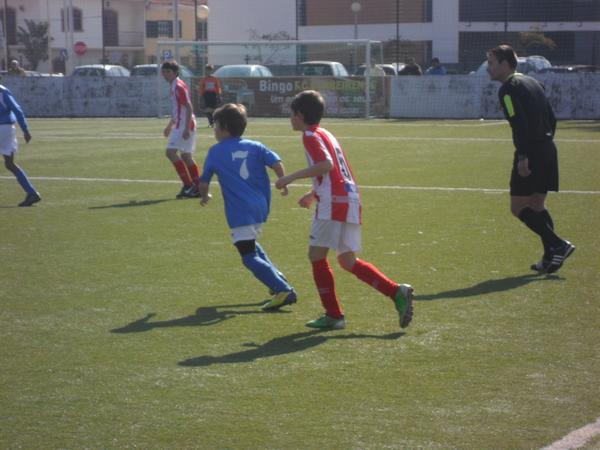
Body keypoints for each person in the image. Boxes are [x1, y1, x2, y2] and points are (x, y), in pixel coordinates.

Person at [275, 90, 414, 330]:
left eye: (292, 113)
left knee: (316, 256)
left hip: (333, 202)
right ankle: (396, 292)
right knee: (347, 260)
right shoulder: (326, 133)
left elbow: (326, 164)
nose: (290, 118)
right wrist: (313, 193)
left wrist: (289, 177)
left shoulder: (310, 135)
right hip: (349, 198)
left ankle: (334, 315)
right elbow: (336, 171)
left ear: (300, 115)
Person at [198, 103, 297, 311]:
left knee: (247, 257)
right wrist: (283, 181)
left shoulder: (215, 152)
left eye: (215, 125)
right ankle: (276, 277)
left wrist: (205, 196)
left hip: (240, 210)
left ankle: (283, 289)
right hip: (261, 206)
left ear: (224, 128)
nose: (214, 129)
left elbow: (204, 181)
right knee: (249, 244)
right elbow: (276, 162)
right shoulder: (256, 146)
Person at [487, 44, 575, 274]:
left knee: (518, 207)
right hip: (548, 148)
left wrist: (524, 156)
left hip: (531, 152)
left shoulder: (508, 89)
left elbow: (519, 124)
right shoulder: (533, 82)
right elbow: (552, 118)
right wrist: (544, 143)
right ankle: (551, 258)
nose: (488, 68)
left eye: (491, 63)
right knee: (537, 205)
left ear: (505, 64)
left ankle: (557, 244)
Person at [161, 60, 201, 199]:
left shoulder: (178, 86)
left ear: (175, 73)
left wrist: (186, 128)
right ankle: (197, 187)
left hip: (184, 125)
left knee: (170, 152)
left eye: (168, 72)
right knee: (185, 156)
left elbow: (189, 107)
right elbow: (178, 110)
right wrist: (169, 126)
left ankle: (189, 185)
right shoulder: (174, 85)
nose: (165, 74)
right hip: (182, 124)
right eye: (164, 72)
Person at [0, 83, 40, 206]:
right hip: (8, 129)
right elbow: (17, 110)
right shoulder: (3, 91)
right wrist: (25, 130)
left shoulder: (2, 91)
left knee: (10, 163)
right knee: (10, 163)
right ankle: (32, 193)